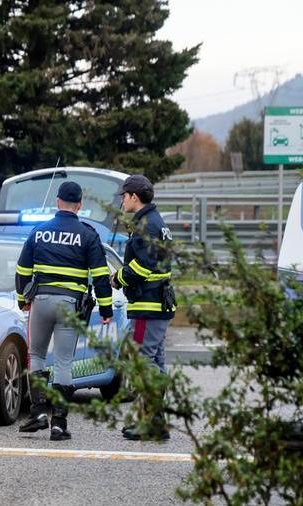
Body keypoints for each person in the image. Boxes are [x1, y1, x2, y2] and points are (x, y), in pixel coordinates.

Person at [15, 181, 113, 441]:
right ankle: (58, 424)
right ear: (79, 205)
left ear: (57, 201)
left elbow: (22, 270)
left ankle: (37, 412)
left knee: (35, 354)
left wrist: (20, 300)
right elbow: (101, 276)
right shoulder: (88, 234)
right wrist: (106, 308)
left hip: (41, 302)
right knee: (63, 362)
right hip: (69, 305)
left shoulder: (39, 231)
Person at [110, 174, 175, 441]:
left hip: (147, 309)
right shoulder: (155, 221)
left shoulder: (145, 225)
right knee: (155, 360)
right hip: (157, 305)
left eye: (124, 196)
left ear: (134, 197)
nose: (122, 201)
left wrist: (118, 277)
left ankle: (151, 421)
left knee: (141, 361)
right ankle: (156, 420)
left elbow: (143, 266)